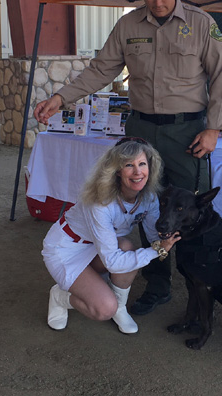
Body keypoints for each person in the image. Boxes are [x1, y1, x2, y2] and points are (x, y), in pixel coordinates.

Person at [34, 0, 222, 315]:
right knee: (148, 211)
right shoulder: (127, 26)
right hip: (141, 132)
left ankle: (197, 286)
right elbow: (99, 70)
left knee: (189, 211)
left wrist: (213, 128)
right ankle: (158, 286)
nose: (157, 0)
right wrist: (61, 97)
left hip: (188, 132)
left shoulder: (202, 25)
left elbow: (221, 76)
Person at [41, 137, 180, 334]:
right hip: (66, 248)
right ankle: (60, 297)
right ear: (116, 171)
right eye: (128, 165)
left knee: (127, 248)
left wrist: (168, 239)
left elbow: (152, 237)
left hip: (99, 246)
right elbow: (114, 263)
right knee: (104, 309)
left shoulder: (149, 197)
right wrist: (157, 251)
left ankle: (120, 308)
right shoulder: (100, 201)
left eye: (142, 164)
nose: (137, 172)